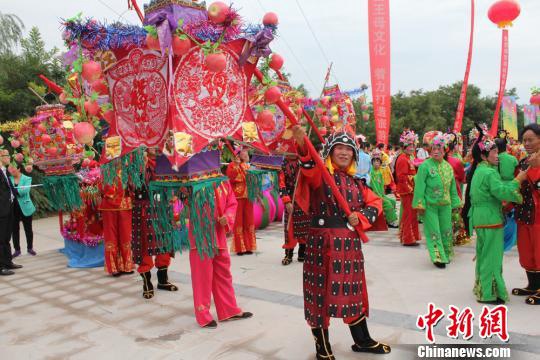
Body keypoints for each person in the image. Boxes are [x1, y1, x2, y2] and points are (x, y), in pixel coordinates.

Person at [292, 126, 391, 359]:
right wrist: (301, 144)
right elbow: (307, 165)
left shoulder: (357, 183)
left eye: (349, 149)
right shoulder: (320, 175)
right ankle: (322, 347)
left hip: (349, 247)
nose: (344, 153)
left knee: (353, 293)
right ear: (329, 151)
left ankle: (363, 340)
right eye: (339, 148)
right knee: (318, 294)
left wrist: (362, 216)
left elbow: (376, 203)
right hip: (321, 244)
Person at [468, 132, 527, 304]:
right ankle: (488, 293)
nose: (498, 155)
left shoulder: (480, 170)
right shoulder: (490, 173)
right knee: (492, 256)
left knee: (483, 253)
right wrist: (518, 181)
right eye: (493, 152)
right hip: (490, 218)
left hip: (479, 217)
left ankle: (481, 287)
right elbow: (501, 191)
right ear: (484, 156)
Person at [188, 179, 253, 327]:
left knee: (223, 272)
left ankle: (229, 310)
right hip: (201, 235)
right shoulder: (192, 180)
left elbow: (232, 202)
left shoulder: (222, 181)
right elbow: (184, 201)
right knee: (202, 275)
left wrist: (228, 217)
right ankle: (203, 314)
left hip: (218, 233)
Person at [133, 150, 177, 299]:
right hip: (144, 207)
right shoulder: (137, 162)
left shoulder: (165, 160)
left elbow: (172, 180)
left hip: (163, 207)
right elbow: (133, 184)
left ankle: (163, 280)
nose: (155, 147)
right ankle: (147, 283)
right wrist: (142, 164)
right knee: (145, 245)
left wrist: (173, 193)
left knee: (164, 242)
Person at [413, 133, 461, 268]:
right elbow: (420, 187)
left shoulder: (448, 167)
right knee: (433, 232)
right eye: (433, 148)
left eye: (439, 148)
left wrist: (456, 203)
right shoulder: (425, 166)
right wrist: (419, 204)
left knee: (446, 231)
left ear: (444, 150)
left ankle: (446, 253)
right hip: (430, 206)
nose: (435, 151)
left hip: (446, 205)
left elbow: (452, 188)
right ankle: (438, 257)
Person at [513, 124, 540, 305]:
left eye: (531, 139)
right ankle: (532, 285)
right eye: (524, 140)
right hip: (524, 213)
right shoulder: (523, 162)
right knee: (526, 250)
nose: (527, 143)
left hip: (539, 215)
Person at [99, 172, 134, 276]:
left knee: (126, 236)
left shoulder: (128, 169)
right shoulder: (106, 170)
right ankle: (114, 267)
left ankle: (126, 265)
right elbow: (102, 188)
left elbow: (133, 186)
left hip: (124, 205)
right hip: (109, 207)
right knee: (111, 237)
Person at [279, 154, 310, 265]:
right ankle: (288, 254)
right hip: (290, 199)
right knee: (290, 228)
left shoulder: (303, 162)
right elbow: (281, 184)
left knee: (304, 227)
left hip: (303, 199)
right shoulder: (283, 165)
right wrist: (286, 201)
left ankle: (303, 253)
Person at [226, 149, 256, 255]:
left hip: (249, 196)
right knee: (238, 222)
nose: (245, 154)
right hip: (238, 197)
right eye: (243, 153)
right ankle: (240, 248)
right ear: (238, 154)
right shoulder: (232, 165)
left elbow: (253, 179)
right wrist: (236, 166)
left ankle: (248, 247)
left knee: (249, 221)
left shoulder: (248, 166)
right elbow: (231, 178)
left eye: (247, 153)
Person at [395, 130, 421, 246]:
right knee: (408, 215)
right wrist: (414, 180)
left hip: (412, 190)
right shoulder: (402, 158)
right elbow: (401, 177)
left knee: (412, 214)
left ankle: (412, 237)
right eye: (409, 145)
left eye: (413, 145)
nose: (412, 147)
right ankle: (408, 239)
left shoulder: (410, 157)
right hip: (407, 191)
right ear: (404, 146)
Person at [0, 150, 22, 276]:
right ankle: (1, 266)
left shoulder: (5, 171)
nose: (9, 157)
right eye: (6, 155)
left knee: (7, 237)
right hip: (2, 210)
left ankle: (8, 262)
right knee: (1, 239)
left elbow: (9, 188)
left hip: (9, 207)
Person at [445, 132, 470, 246]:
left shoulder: (437, 161)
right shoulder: (455, 160)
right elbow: (461, 177)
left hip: (442, 191)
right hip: (455, 188)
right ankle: (454, 236)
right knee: (455, 212)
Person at [495, 136, 519, 252]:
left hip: (498, 187)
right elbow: (517, 173)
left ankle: (498, 238)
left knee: (499, 214)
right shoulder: (513, 159)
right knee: (511, 214)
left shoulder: (494, 159)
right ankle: (511, 239)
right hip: (511, 188)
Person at [9, 165, 36, 257]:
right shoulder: (8, 178)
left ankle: (30, 248)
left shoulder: (27, 178)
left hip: (26, 207)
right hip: (13, 208)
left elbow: (25, 190)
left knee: (28, 229)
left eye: (13, 168)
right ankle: (17, 250)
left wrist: (13, 191)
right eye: (10, 169)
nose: (11, 170)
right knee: (14, 230)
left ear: (19, 169)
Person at [369, 151, 398, 228]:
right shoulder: (371, 173)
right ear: (372, 163)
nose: (376, 163)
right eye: (374, 161)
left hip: (381, 194)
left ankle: (387, 218)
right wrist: (379, 196)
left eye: (378, 161)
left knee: (393, 201)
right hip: (374, 195)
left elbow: (382, 185)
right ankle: (391, 221)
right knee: (387, 203)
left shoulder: (380, 172)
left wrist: (383, 194)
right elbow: (373, 186)